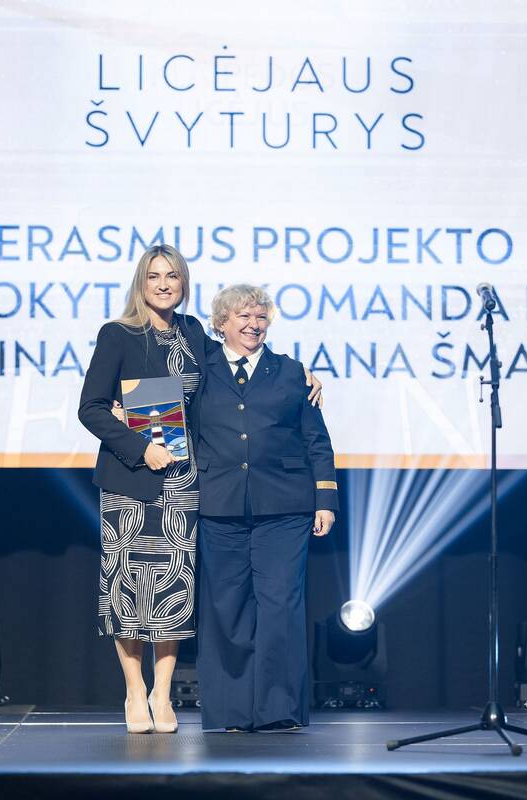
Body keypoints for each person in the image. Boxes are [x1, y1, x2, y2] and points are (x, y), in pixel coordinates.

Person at [80, 249, 323, 735]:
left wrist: (300, 375)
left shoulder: (192, 332)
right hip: (133, 480)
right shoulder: (118, 334)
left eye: (173, 276)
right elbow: (92, 408)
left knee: (173, 591)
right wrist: (139, 447)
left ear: (184, 283)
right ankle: (134, 691)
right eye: (154, 276)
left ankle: (162, 693)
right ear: (140, 282)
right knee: (129, 590)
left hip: (183, 482)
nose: (163, 284)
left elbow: (241, 356)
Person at [195, 284, 338, 732]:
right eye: (243, 316)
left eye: (260, 317)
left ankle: (279, 709)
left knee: (280, 608)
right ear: (221, 324)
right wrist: (125, 410)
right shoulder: (198, 370)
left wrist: (325, 500)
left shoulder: (292, 372)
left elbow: (317, 441)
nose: (253, 324)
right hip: (219, 505)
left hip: (285, 507)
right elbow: (165, 415)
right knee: (228, 610)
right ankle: (232, 711)